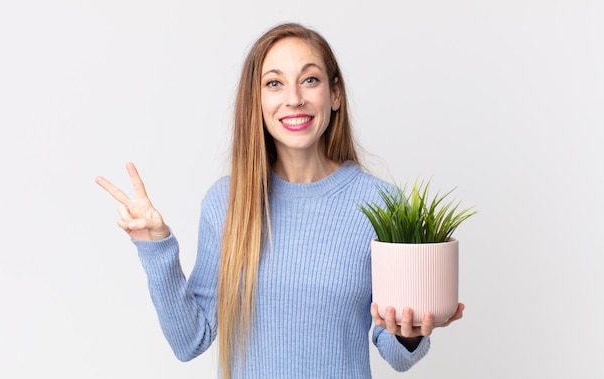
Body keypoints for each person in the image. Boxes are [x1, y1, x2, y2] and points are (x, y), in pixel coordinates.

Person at [96, 22, 464, 379]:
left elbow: (396, 352)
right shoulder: (225, 202)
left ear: (334, 94)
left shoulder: (380, 203)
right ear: (256, 101)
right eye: (274, 83)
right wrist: (154, 246)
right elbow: (189, 340)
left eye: (310, 80)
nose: (294, 98)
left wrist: (411, 333)